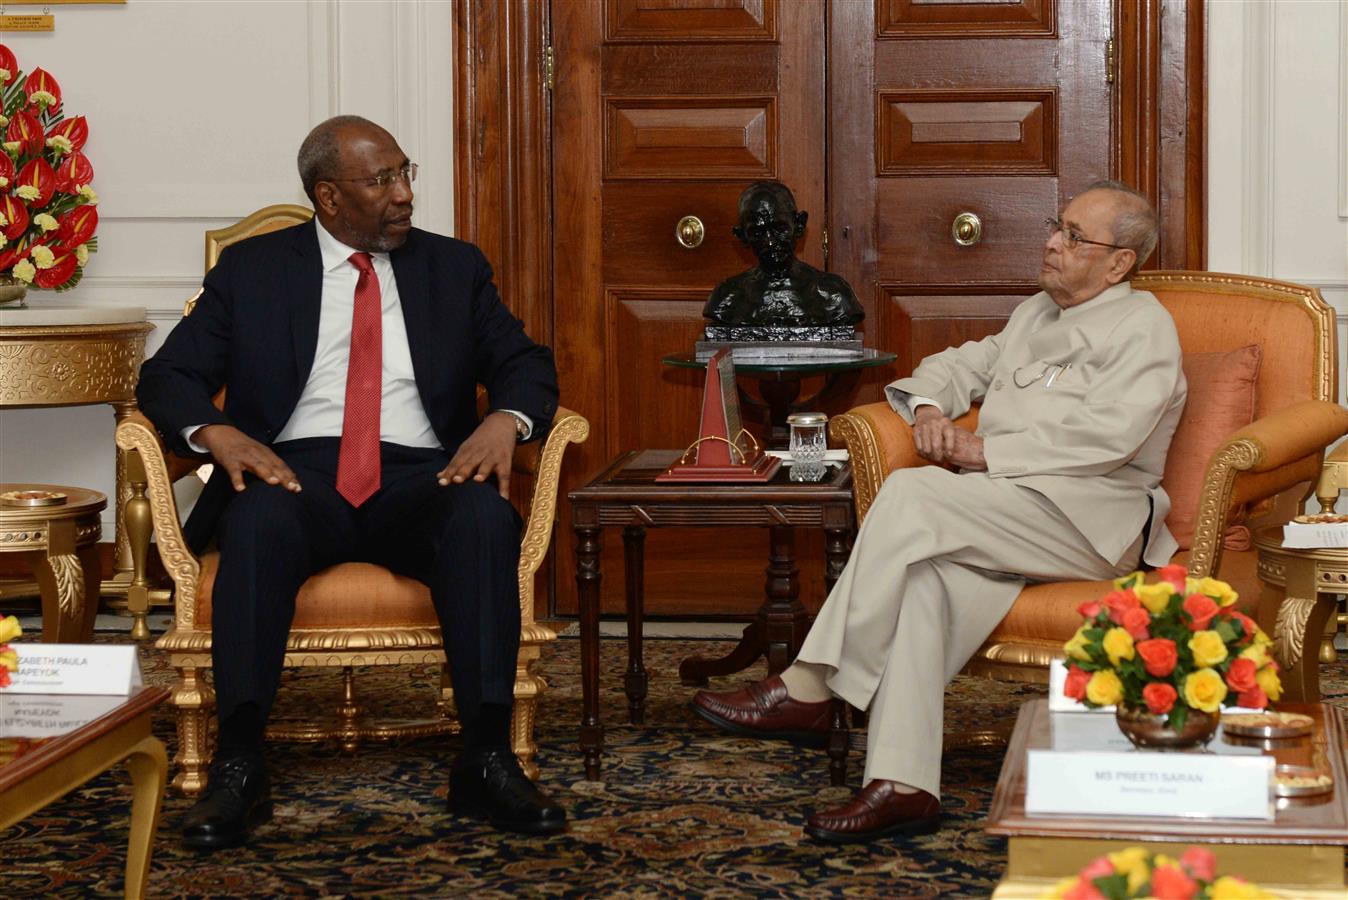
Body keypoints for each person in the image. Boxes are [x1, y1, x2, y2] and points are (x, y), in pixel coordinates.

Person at [692, 181, 1186, 843]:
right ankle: (904, 784)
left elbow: (1107, 438)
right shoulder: (1037, 314)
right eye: (1056, 226)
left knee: (911, 494)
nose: (1052, 243)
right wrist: (928, 407)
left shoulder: (1143, 326)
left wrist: (983, 451)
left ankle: (812, 686)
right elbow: (961, 365)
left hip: (1093, 521)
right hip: (1010, 512)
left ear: (1120, 262)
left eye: (1074, 236)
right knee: (927, 582)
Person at [137, 115, 564, 849]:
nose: (403, 195)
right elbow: (168, 376)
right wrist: (220, 434)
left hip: (422, 473)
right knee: (258, 519)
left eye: (405, 173)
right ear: (329, 197)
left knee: (483, 519)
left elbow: (525, 363)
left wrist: (507, 422)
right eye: (382, 180)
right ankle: (239, 765)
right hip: (295, 471)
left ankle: (487, 758)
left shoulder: (454, 268)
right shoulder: (254, 271)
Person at [703, 181, 864, 328]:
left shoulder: (832, 294)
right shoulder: (726, 298)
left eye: (779, 229)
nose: (770, 242)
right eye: (758, 233)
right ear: (742, 236)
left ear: (799, 225)